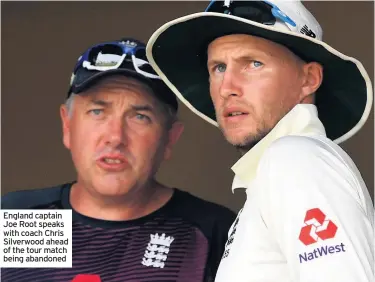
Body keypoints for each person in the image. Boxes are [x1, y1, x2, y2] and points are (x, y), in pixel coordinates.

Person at [145, 1, 374, 281]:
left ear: (309, 79)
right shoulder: (278, 171)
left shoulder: (296, 159)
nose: (227, 87)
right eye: (218, 67)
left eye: (253, 64)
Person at [1, 38, 236, 282]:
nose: (115, 137)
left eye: (140, 116)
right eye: (97, 112)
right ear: (67, 126)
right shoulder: (24, 217)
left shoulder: (211, 233)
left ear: (170, 138)